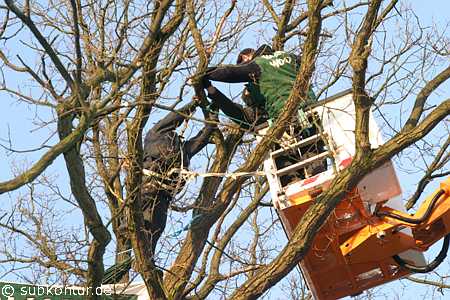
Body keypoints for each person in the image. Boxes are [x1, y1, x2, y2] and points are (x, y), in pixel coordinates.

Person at [202, 45, 326, 184]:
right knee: (314, 152)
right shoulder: (290, 58)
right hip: (310, 111)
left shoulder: (258, 66)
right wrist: (212, 91)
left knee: (282, 158)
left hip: (284, 118)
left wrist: (205, 73)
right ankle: (315, 170)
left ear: (248, 58)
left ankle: (292, 179)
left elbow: (230, 73)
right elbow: (309, 64)